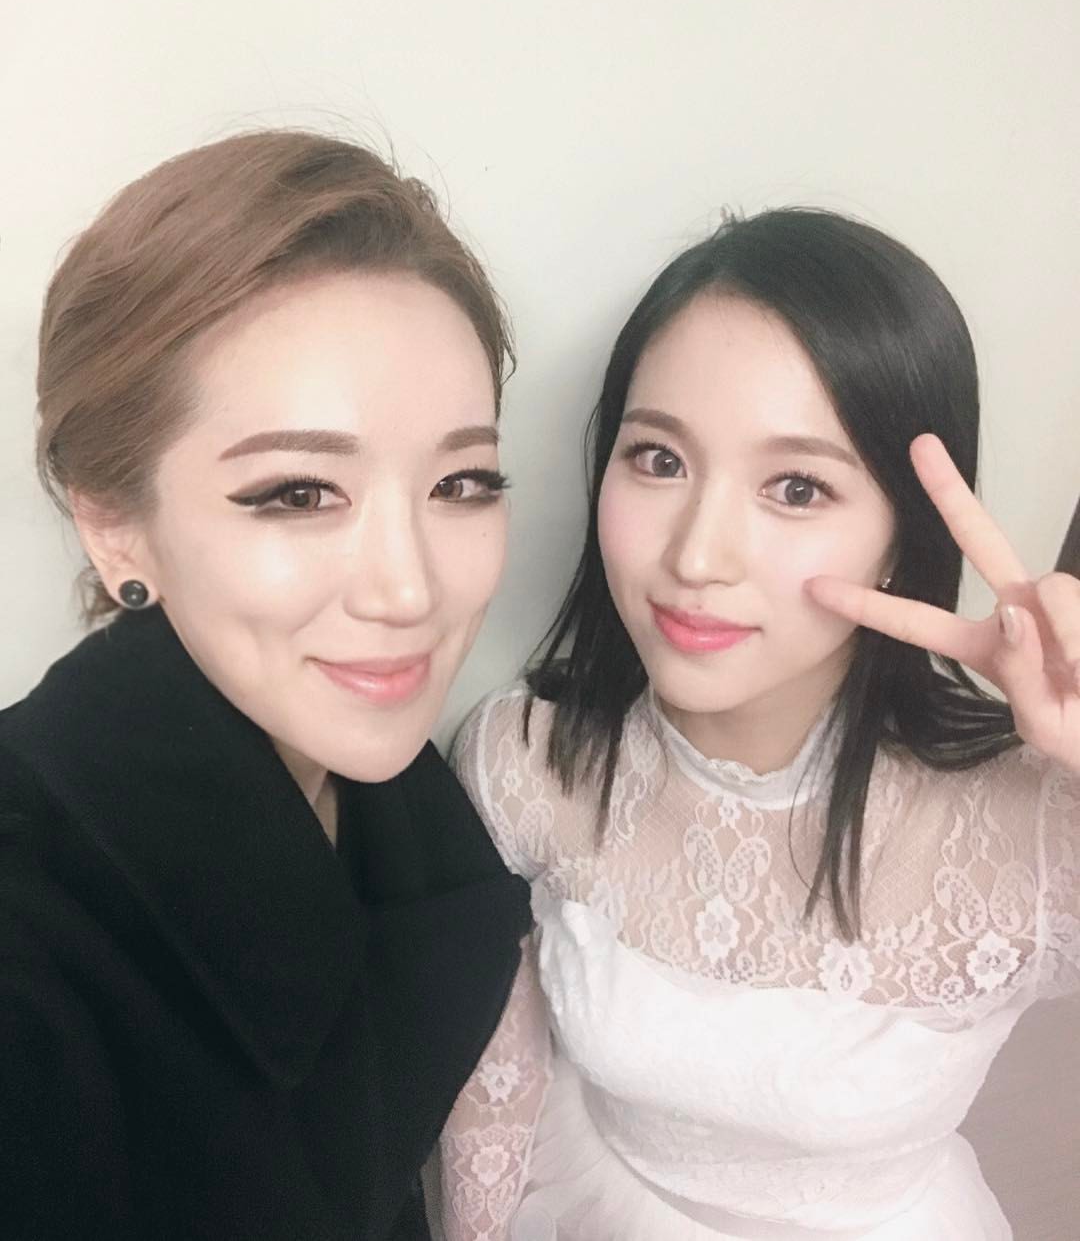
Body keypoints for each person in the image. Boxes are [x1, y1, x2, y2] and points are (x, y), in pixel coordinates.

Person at [439, 209, 1080, 1240]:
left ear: (898, 537)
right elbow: (495, 1079)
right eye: (659, 460)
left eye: (796, 487)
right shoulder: (524, 760)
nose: (697, 555)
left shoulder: (1032, 827)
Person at [0, 129, 532, 1241]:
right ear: (115, 524)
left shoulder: (410, 815)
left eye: (461, 482)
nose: (408, 589)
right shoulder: (33, 940)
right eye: (298, 493)